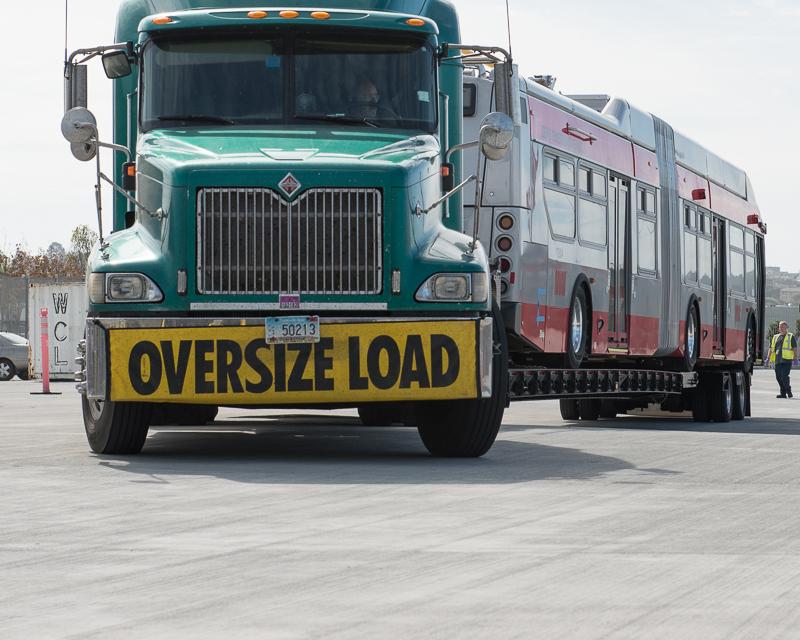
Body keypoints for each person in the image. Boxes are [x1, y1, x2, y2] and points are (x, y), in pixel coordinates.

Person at [767, 321, 798, 398]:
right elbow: (771, 348)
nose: (781, 328)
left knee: (784, 376)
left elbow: (794, 348)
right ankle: (783, 393)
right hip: (777, 360)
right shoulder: (775, 337)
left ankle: (788, 390)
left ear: (786, 328)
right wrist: (768, 358)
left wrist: (795, 358)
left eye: (783, 327)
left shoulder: (790, 336)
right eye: (780, 327)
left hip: (787, 360)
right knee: (778, 377)